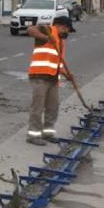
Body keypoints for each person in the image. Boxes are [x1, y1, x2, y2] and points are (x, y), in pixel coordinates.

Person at [24, 16, 73, 146]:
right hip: (39, 76)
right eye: (67, 29)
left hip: (53, 79)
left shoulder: (61, 42)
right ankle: (33, 135)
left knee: (53, 107)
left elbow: (58, 63)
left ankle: (48, 133)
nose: (67, 32)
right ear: (62, 26)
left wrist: (67, 75)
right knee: (38, 107)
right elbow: (30, 30)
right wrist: (46, 38)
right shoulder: (47, 30)